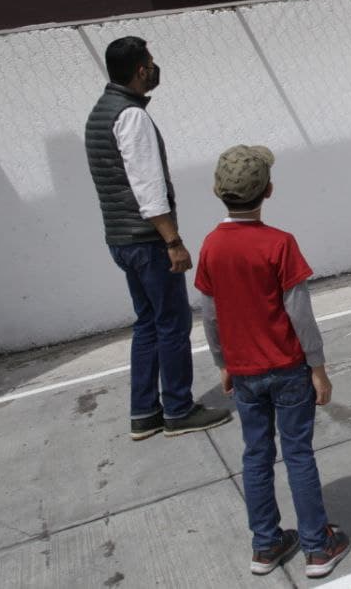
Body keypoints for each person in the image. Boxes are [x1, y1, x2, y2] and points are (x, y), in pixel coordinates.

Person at [195, 145, 351, 579]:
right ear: (269, 190)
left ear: (215, 190)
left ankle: (266, 545)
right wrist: (317, 366)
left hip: (244, 373)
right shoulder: (279, 244)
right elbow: (299, 313)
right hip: (287, 370)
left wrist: (223, 362)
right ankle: (318, 548)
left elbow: (210, 314)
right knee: (298, 452)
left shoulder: (210, 246)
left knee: (256, 454)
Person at [84, 36, 231, 441]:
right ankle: (179, 410)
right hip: (148, 242)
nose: (154, 67)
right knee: (172, 322)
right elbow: (147, 187)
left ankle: (144, 413)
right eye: (150, 61)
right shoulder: (131, 117)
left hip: (121, 239)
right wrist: (173, 241)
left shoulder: (100, 113)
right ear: (139, 70)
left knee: (148, 323)